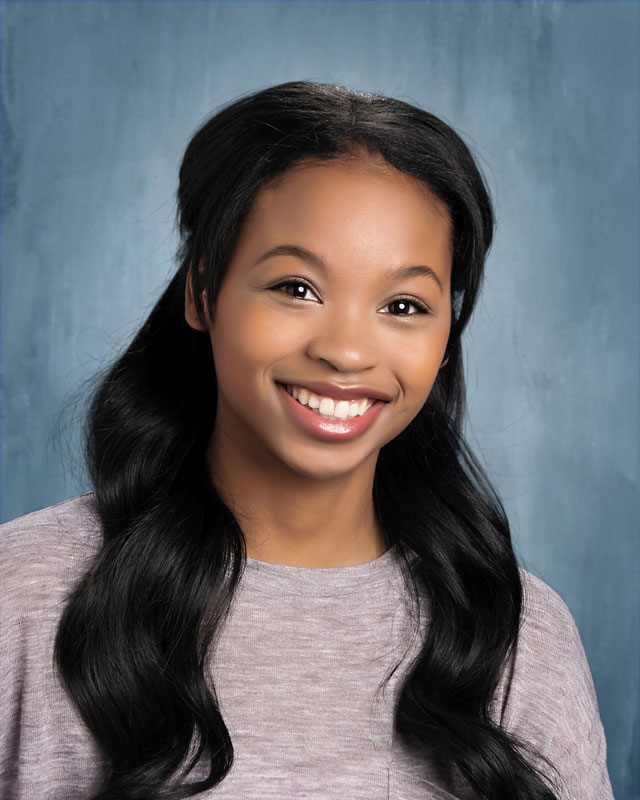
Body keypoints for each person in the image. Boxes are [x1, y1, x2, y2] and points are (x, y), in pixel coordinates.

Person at [0, 81, 613, 800]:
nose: (347, 351)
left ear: (447, 340)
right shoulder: (24, 593)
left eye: (404, 305)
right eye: (297, 287)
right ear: (203, 291)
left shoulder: (516, 637)